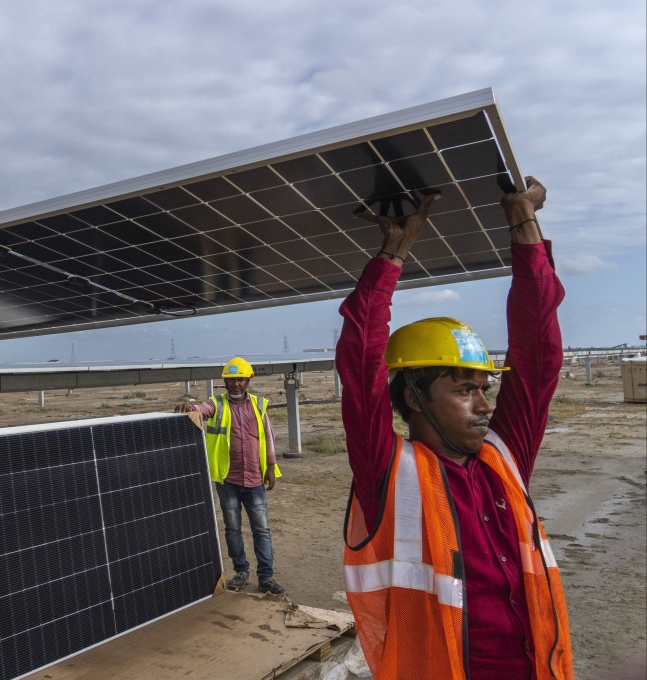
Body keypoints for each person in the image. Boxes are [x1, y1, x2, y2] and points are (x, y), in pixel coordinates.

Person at [336, 178, 573, 679]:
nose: (484, 405)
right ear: (415, 398)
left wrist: (525, 226)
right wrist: (391, 256)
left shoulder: (503, 458)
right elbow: (360, 366)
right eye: (464, 389)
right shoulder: (390, 473)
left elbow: (539, 355)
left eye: (484, 388)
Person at [174, 357, 285, 595]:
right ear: (224, 381)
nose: (235, 384)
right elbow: (202, 409)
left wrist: (271, 466)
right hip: (227, 479)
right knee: (233, 528)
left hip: (255, 478)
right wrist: (191, 408)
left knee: (262, 529)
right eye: (231, 379)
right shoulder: (217, 404)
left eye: (240, 379)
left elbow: (268, 436)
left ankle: (266, 577)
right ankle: (241, 572)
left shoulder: (258, 405)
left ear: (248, 381)